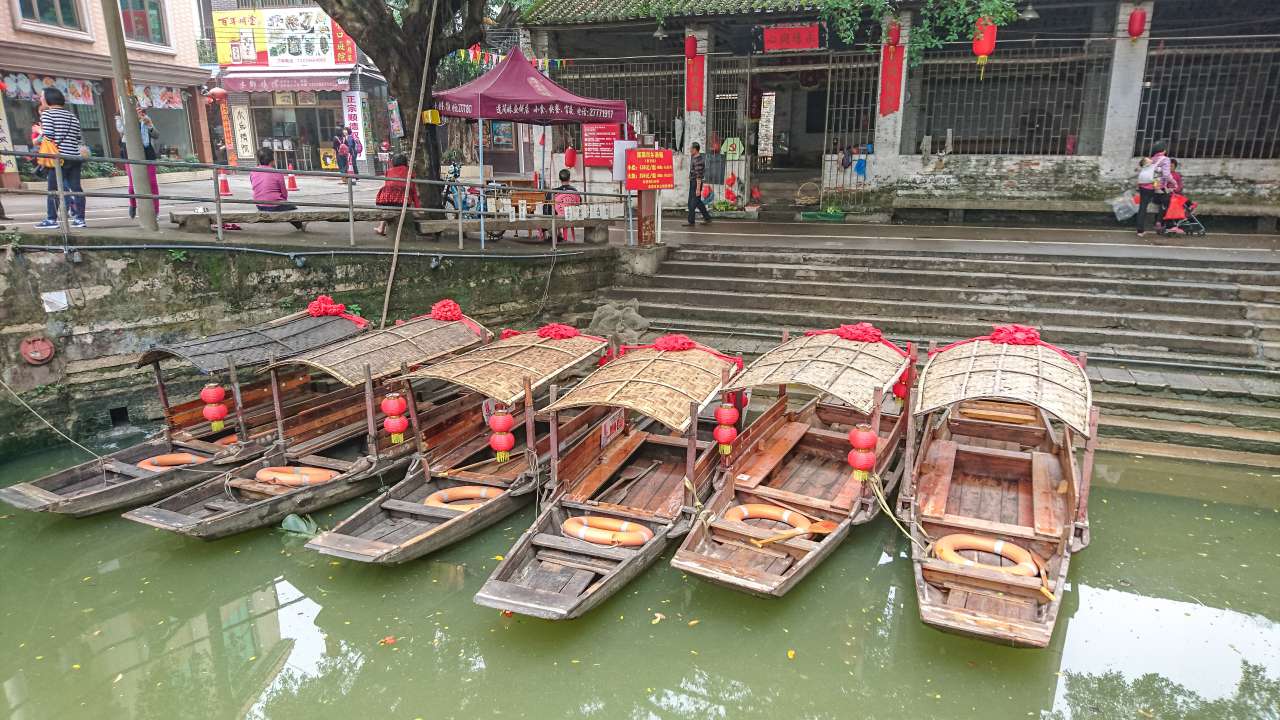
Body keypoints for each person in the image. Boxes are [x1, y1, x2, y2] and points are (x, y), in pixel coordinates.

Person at [34, 87, 86, 228]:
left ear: (47, 99)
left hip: (58, 158)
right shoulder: (72, 116)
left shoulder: (47, 115)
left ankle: (51, 219)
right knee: (76, 188)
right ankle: (80, 219)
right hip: (74, 157)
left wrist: (39, 131)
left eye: (42, 96)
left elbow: (49, 137)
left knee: (53, 189)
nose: (41, 99)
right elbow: (78, 138)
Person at [117, 111, 160, 219]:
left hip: (147, 153)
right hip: (130, 153)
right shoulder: (122, 118)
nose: (137, 109)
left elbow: (156, 135)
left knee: (152, 183)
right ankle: (133, 204)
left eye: (138, 106)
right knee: (133, 184)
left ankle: (155, 211)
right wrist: (130, 119)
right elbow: (121, 130)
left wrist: (149, 124)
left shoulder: (145, 118)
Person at [250, 148, 305, 231]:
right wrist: (283, 201)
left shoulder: (253, 172)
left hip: (259, 205)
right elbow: (284, 193)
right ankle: (300, 226)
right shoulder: (277, 172)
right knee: (292, 208)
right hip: (275, 204)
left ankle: (300, 226)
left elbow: (255, 187)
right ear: (272, 160)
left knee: (286, 206)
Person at [373, 154, 419, 236]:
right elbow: (413, 191)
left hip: (385, 199)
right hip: (402, 200)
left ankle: (381, 228)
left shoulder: (389, 171)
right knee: (406, 197)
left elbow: (387, 185)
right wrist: (417, 208)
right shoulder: (410, 172)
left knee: (386, 209)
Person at [1135, 140, 1173, 237]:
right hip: (1155, 186)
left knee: (1142, 207)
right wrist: (1173, 182)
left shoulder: (1152, 158)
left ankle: (1140, 230)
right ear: (1164, 150)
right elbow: (1166, 175)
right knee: (1167, 200)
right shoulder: (1166, 159)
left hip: (1143, 186)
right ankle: (1160, 223)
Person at [685, 141, 711, 227]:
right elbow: (693, 171)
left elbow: (699, 176)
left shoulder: (699, 161)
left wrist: (697, 188)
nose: (690, 150)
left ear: (695, 149)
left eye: (691, 148)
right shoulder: (694, 157)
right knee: (697, 202)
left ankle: (691, 222)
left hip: (696, 183)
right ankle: (707, 218)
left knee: (692, 203)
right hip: (693, 182)